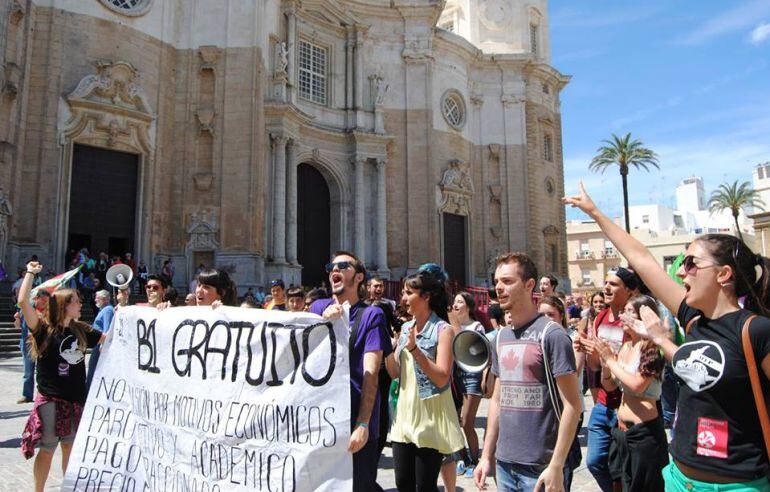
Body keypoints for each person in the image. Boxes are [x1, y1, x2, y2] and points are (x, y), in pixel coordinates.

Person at [566, 183, 770, 491]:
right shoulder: (692, 321)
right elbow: (643, 259)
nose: (680, 273)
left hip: (737, 484)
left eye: (690, 263)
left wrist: (661, 340)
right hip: (678, 479)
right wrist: (594, 213)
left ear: (723, 274)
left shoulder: (756, 331)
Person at [474, 253, 582, 492]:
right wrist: (486, 455)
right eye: (496, 282)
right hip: (505, 464)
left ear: (529, 284)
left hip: (541, 466)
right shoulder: (501, 337)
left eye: (507, 281)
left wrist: (556, 465)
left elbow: (573, 405)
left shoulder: (552, 335)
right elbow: (498, 401)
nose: (499, 288)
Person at [17, 262, 104, 492]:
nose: (80, 303)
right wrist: (30, 273)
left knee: (70, 448)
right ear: (64, 306)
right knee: (47, 449)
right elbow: (23, 301)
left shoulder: (81, 329)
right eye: (76, 300)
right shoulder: (43, 329)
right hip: (51, 400)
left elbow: (111, 337)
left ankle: (69, 488)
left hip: (75, 399)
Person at [310, 251, 392, 492]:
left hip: (355, 421)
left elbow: (371, 373)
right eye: (331, 266)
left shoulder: (371, 315)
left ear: (358, 278)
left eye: (343, 266)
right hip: (321, 422)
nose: (334, 270)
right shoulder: (317, 308)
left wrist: (363, 424)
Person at [384, 265, 465, 492]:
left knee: (425, 487)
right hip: (404, 415)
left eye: (409, 293)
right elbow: (395, 374)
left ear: (426, 296)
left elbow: (442, 378)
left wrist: (415, 350)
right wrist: (387, 349)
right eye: (403, 293)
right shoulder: (406, 327)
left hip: (430, 417)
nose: (403, 298)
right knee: (403, 484)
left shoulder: (443, 330)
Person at [580, 295, 667, 492]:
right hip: (622, 430)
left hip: (644, 433)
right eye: (624, 311)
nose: (624, 316)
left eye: (630, 312)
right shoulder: (626, 346)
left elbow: (637, 386)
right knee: (621, 482)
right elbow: (610, 386)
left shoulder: (652, 347)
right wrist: (605, 364)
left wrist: (610, 360)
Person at [578, 268, 636, 492]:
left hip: (628, 404)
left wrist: (609, 358)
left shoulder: (633, 321)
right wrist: (588, 348)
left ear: (629, 291)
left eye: (614, 284)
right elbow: (594, 365)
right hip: (603, 402)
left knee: (625, 467)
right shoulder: (600, 317)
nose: (606, 288)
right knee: (594, 461)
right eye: (606, 283)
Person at [538, 295, 585, 491]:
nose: (547, 319)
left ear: (561, 317)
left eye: (551, 314)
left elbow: (574, 371)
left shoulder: (569, 340)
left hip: (566, 409)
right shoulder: (537, 340)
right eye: (542, 315)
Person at [450, 292, 486, 477]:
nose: (455, 305)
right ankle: (460, 457)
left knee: (466, 421)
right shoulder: (448, 326)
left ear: (468, 307)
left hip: (472, 376)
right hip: (453, 377)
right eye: (454, 301)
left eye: (459, 302)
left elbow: (467, 349)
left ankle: (474, 459)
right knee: (454, 421)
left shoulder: (476, 326)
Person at [16, 290, 51, 403]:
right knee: (28, 371)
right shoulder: (25, 309)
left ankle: (43, 394)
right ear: (36, 298)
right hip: (27, 344)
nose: (45, 303)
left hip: (43, 344)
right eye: (43, 300)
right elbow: (18, 327)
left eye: (47, 301)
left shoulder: (48, 311)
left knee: (44, 370)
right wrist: (17, 318)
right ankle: (27, 395)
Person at [86, 290, 115, 391]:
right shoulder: (104, 310)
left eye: (97, 297)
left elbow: (107, 328)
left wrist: (104, 345)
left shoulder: (108, 310)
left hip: (100, 344)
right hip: (97, 343)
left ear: (105, 299)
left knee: (93, 369)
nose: (95, 299)